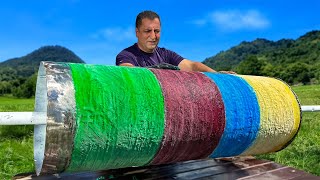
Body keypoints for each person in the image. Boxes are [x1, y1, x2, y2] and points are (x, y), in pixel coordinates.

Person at [116, 10, 217, 72]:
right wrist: (158, 69)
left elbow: (192, 66)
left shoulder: (166, 54)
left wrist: (218, 75)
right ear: (137, 32)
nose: (153, 36)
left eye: (156, 31)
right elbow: (128, 71)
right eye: (147, 31)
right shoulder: (126, 55)